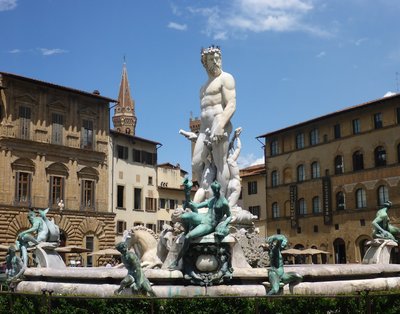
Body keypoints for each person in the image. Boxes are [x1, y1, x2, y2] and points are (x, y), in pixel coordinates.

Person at [191, 45, 236, 202]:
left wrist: (220, 124)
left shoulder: (226, 78)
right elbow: (204, 113)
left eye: (218, 58)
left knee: (220, 163)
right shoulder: (202, 88)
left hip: (219, 124)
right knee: (196, 164)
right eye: (212, 59)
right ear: (205, 62)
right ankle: (206, 192)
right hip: (204, 130)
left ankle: (220, 203)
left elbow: (231, 104)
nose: (216, 61)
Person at [169, 180, 232, 269]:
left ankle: (176, 261)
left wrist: (224, 223)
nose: (214, 192)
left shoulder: (224, 203)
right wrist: (187, 192)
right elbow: (196, 206)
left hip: (209, 224)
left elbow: (230, 216)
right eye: (213, 190)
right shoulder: (212, 199)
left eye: (215, 190)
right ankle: (186, 231)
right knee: (184, 216)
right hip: (203, 217)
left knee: (188, 237)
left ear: (218, 190)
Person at [226, 127, 242, 210]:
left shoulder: (225, 162)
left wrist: (233, 137)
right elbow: (238, 148)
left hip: (229, 184)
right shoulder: (232, 160)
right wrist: (238, 138)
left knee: (228, 202)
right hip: (236, 182)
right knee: (231, 207)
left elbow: (230, 146)